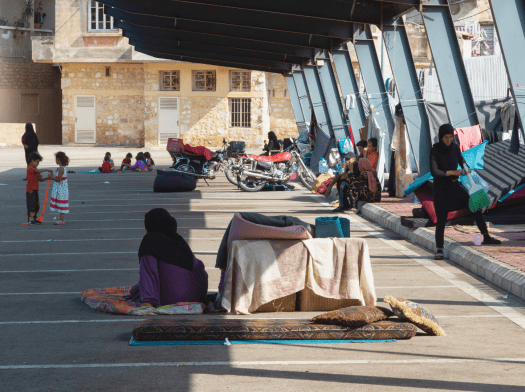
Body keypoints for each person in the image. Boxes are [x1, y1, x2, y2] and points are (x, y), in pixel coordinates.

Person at [430, 124, 501, 260]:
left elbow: (462, 161)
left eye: (451, 137)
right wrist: (452, 172)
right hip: (441, 191)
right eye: (446, 137)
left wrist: (466, 169)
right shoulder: (435, 151)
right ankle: (439, 249)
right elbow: (435, 172)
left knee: (475, 205)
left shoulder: (455, 147)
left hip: (455, 188)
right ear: (441, 137)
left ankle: (486, 236)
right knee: (441, 220)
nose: (448, 140)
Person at [125, 208, 208, 307]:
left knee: (137, 292)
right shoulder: (178, 240)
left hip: (175, 296)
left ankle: (149, 299)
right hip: (197, 295)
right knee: (136, 290)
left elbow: (149, 271)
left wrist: (148, 301)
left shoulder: (150, 241)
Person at [26, 152, 52, 225]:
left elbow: (40, 179)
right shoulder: (30, 168)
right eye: (37, 162)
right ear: (32, 161)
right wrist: (47, 170)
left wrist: (48, 178)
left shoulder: (35, 169)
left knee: (37, 205)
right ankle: (31, 219)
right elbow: (37, 171)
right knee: (32, 206)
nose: (38, 164)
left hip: (35, 190)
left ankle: (34, 218)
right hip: (30, 190)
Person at [50, 151, 70, 225]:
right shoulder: (60, 168)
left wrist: (51, 178)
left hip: (61, 189)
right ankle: (61, 219)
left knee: (61, 204)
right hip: (61, 188)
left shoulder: (61, 169)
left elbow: (59, 179)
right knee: (60, 203)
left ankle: (62, 220)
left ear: (58, 160)